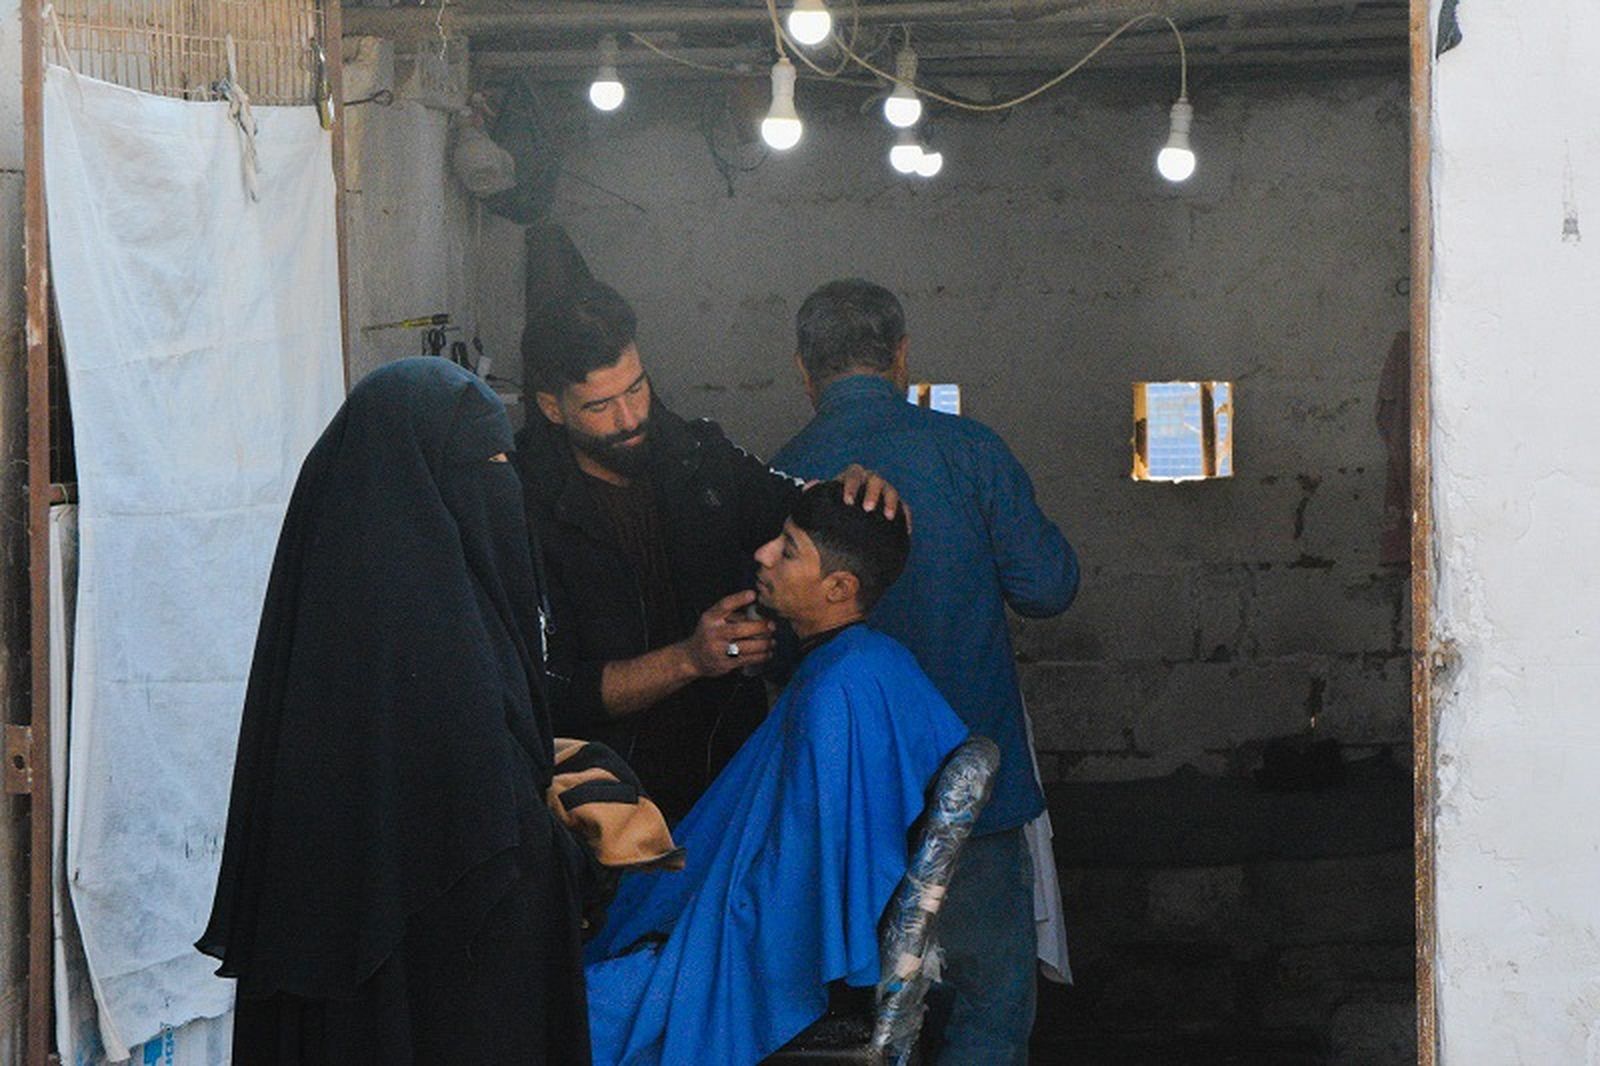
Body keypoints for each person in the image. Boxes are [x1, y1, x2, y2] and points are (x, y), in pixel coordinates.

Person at [197, 359, 590, 1065]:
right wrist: (581, 844)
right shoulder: (453, 672)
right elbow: (496, 867)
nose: (502, 483)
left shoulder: (318, 667)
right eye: (486, 463)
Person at [772, 279, 1081, 1065]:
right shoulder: (969, 452)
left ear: (804, 372)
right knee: (987, 1005)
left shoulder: (780, 481)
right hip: (970, 794)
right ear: (903, 357)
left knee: (854, 1020)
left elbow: (765, 652)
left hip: (844, 805)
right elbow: (1050, 588)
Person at [583, 482, 969, 1066]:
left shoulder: (840, 690)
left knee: (584, 1006)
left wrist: (687, 936)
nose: (763, 554)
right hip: (758, 918)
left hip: (776, 959)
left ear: (839, 588)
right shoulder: (869, 665)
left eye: (788, 549)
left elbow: (792, 890)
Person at [515, 281, 900, 822]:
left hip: (724, 777)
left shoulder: (699, 456)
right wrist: (690, 659)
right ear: (552, 408)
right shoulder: (518, 509)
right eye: (600, 406)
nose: (630, 419)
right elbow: (551, 691)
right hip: (601, 807)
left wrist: (849, 492)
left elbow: (791, 508)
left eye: (637, 388)